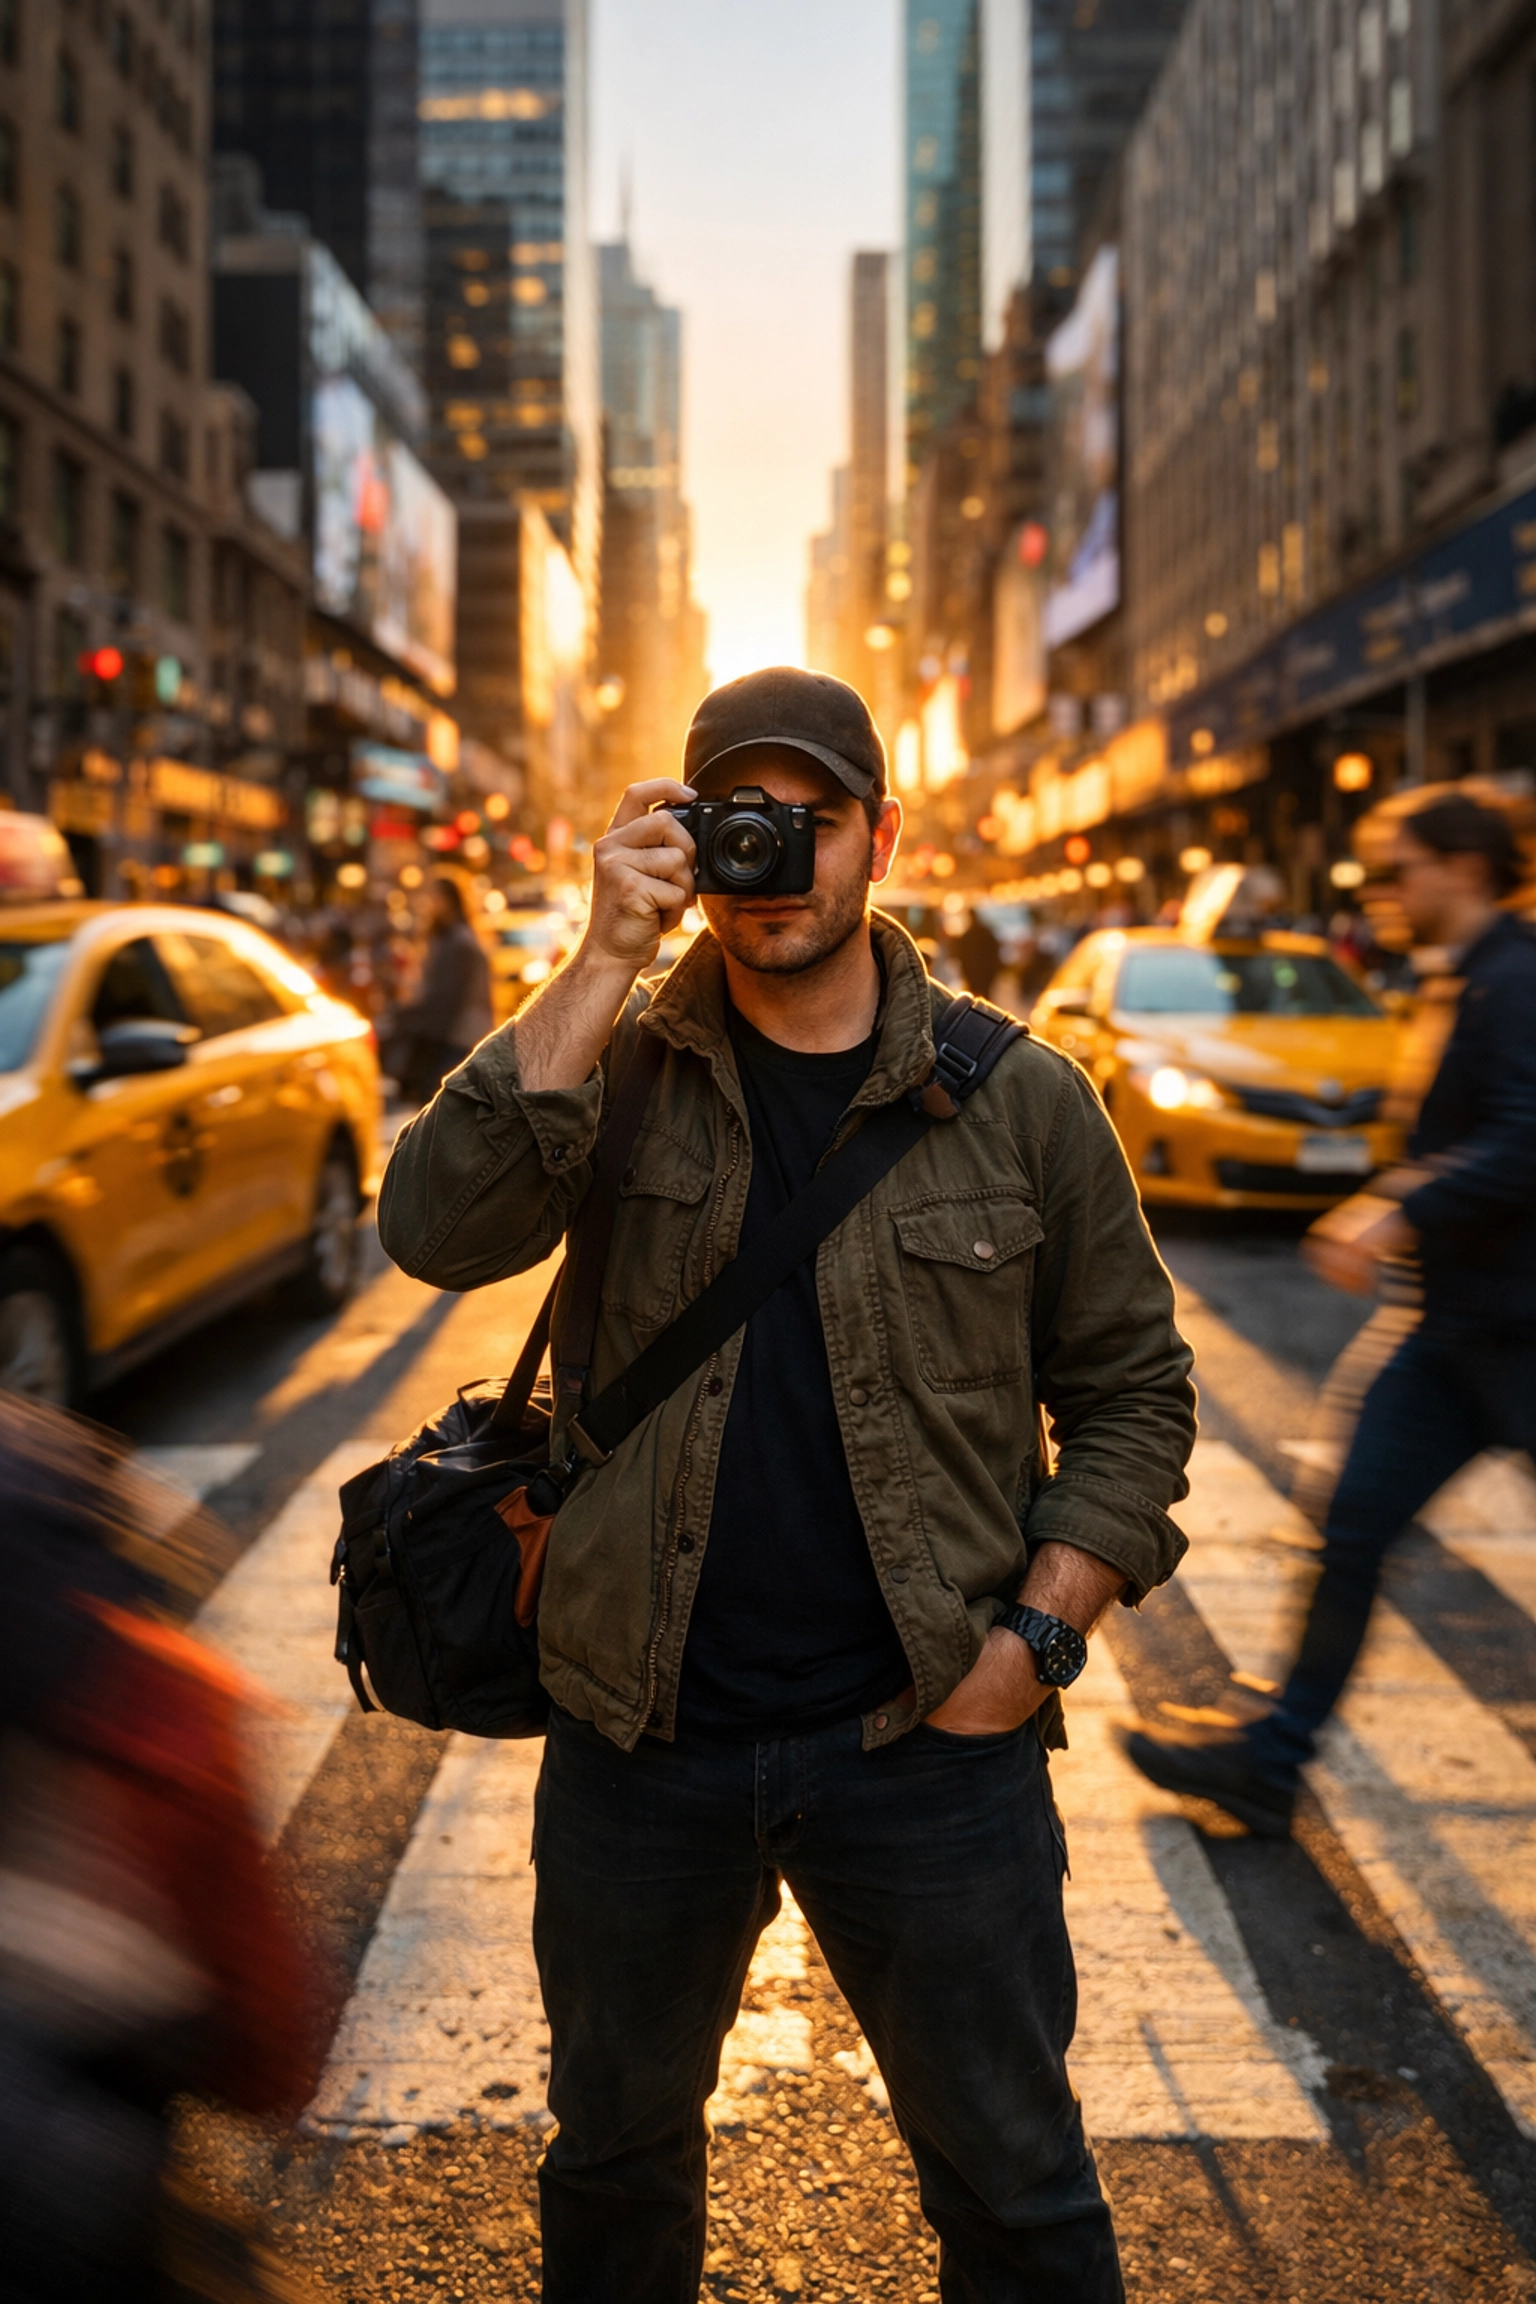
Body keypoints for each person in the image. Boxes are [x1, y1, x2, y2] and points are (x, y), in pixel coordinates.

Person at [378, 666, 1197, 2304]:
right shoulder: (614, 1057)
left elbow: (1133, 1396)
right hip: (636, 1744)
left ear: (878, 838)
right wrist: (603, 952)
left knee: (1017, 2181)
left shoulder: (1020, 1094)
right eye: (732, 816)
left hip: (926, 1746)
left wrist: (1027, 1643)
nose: (773, 856)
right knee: (611, 2158)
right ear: (681, 834)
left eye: (805, 820)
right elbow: (434, 1229)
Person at [1121, 786, 1536, 1837]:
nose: (1382, 893)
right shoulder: (1463, 977)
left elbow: (1527, 1135)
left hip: (1518, 1328)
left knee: (1350, 1531)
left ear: (1468, 869)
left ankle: (1274, 1752)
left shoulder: (1517, 975)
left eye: (1402, 871)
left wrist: (1396, 1207)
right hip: (1452, 1331)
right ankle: (1272, 1758)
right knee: (1349, 1528)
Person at [399, 876, 493, 1105]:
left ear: (449, 901)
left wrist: (427, 1040)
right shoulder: (448, 938)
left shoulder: (459, 942)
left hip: (456, 1040)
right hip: (453, 1036)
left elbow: (447, 998)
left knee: (439, 1106)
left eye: (434, 897)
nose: (429, 904)